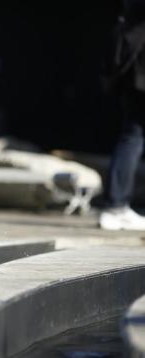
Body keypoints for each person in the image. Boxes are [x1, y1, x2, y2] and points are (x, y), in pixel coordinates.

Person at [99, 0, 145, 230]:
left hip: (133, 71)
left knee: (132, 135)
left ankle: (116, 205)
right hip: (139, 71)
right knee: (133, 136)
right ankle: (116, 206)